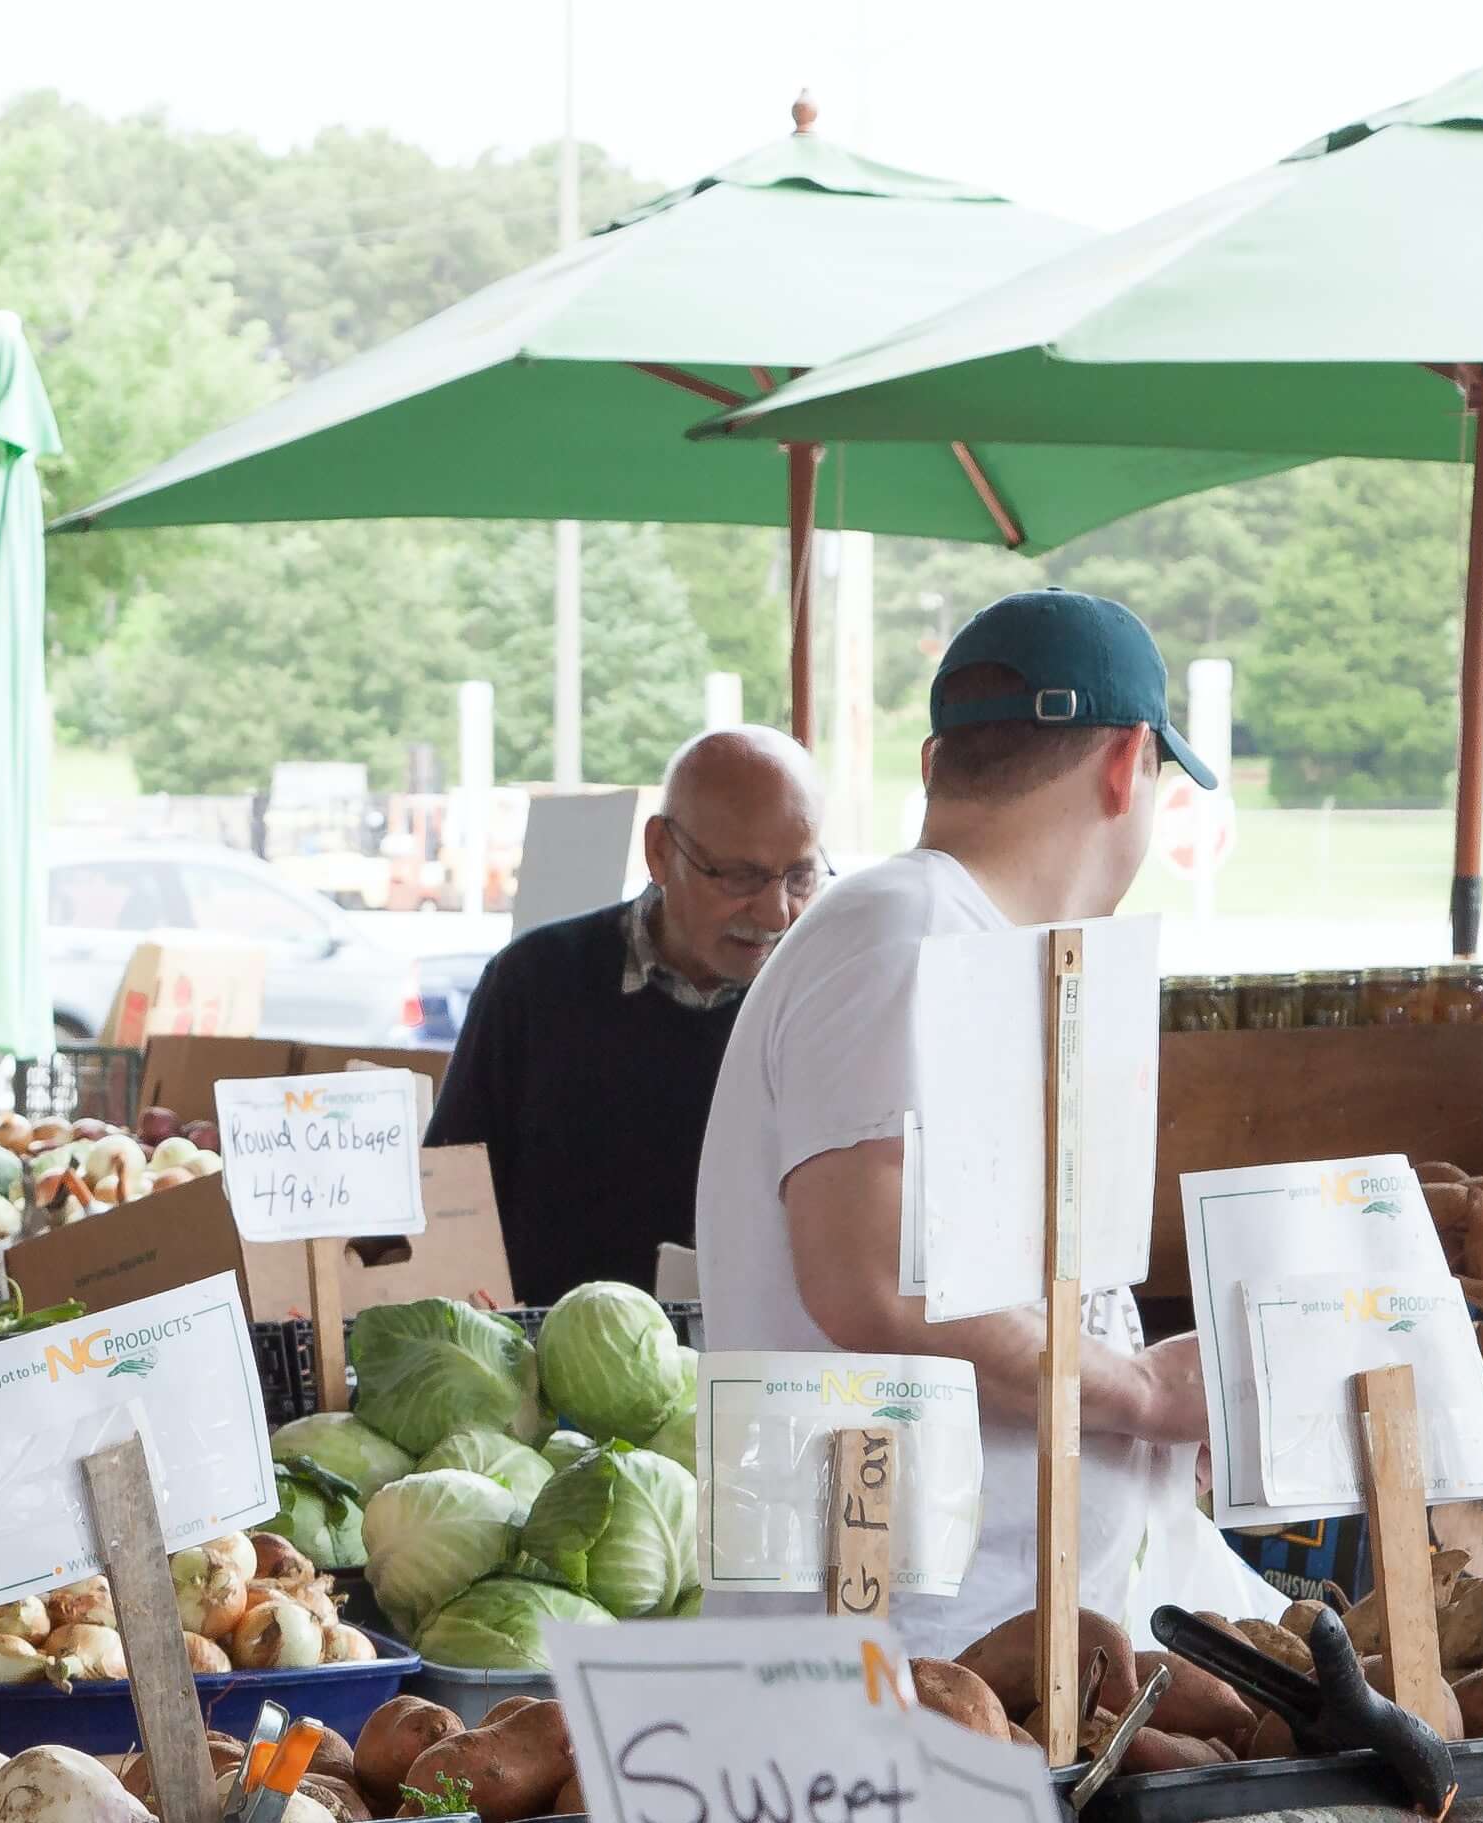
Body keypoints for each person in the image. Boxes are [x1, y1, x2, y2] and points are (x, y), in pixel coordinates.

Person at [692, 591, 1245, 1662]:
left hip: (956, 1647)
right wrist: (1138, 1395)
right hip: (887, 1661)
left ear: (940, 758)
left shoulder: (954, 940)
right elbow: (872, 1277)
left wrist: (1149, 1409)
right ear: (1129, 764)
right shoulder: (903, 933)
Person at [428, 725, 825, 1305]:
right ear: (661, 851)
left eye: (800, 877)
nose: (776, 912)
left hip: (752, 1373)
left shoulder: (820, 1001)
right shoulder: (535, 983)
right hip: (548, 1370)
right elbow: (449, 1195)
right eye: (741, 876)